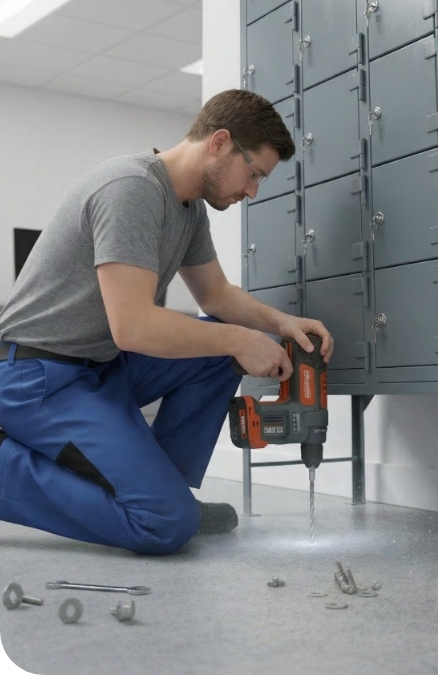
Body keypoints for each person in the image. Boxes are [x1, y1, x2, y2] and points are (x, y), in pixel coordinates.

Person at [0, 88, 334, 555]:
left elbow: (215, 295)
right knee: (163, 524)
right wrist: (238, 338)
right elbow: (132, 327)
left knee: (227, 349)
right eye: (253, 173)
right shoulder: (131, 188)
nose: (253, 190)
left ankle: (171, 490)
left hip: (100, 369)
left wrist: (283, 325)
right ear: (219, 142)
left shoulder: (190, 209)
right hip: (36, 378)